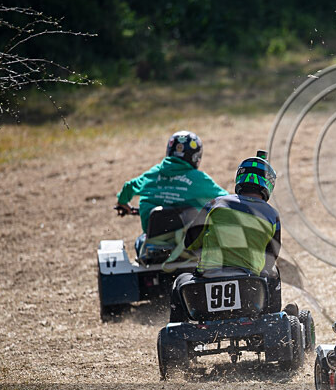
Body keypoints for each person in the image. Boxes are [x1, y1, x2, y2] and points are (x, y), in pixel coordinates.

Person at [168, 151, 283, 322]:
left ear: (239, 178)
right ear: (269, 184)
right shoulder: (272, 215)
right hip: (249, 288)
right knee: (273, 273)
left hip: (206, 283)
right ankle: (271, 319)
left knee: (179, 282)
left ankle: (178, 328)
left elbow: (190, 241)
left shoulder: (215, 204)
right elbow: (270, 258)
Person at [115, 131, 228, 256]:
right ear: (196, 157)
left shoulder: (153, 174)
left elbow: (128, 187)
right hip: (190, 244)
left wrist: (122, 202)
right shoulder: (199, 179)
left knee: (139, 242)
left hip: (154, 245)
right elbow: (226, 199)